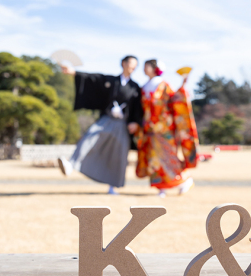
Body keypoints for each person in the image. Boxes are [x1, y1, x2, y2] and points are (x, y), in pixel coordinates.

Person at [58, 56, 143, 194]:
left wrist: (135, 122)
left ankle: (113, 186)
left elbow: (138, 108)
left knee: (119, 153)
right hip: (107, 119)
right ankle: (71, 164)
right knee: (90, 137)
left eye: (135, 65)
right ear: (123, 63)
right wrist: (73, 72)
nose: (132, 67)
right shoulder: (111, 80)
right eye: (130, 63)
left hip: (122, 124)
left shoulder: (135, 87)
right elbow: (93, 78)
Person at [136, 59, 199, 197]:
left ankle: (184, 181)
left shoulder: (163, 85)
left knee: (170, 158)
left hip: (165, 129)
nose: (144, 69)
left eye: (147, 66)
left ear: (154, 68)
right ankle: (161, 188)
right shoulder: (145, 86)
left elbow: (174, 99)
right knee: (154, 160)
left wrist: (182, 87)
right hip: (150, 129)